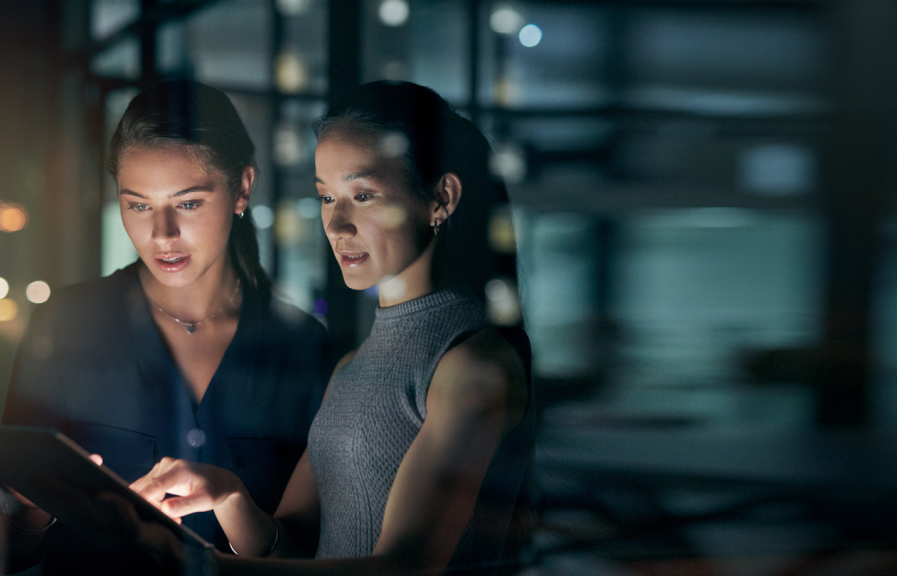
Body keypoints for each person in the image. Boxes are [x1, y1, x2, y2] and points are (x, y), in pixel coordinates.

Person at [125, 80, 536, 576]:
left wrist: (203, 567)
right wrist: (231, 497)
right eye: (325, 197)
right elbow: (290, 545)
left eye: (362, 195)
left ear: (441, 198)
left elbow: (404, 568)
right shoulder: (351, 368)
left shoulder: (474, 366)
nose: (337, 225)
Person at [1, 81, 333, 574]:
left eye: (188, 203)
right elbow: (13, 555)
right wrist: (30, 509)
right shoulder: (66, 325)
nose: (162, 234)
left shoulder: (305, 349)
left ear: (242, 188)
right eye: (138, 205)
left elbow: (312, 556)